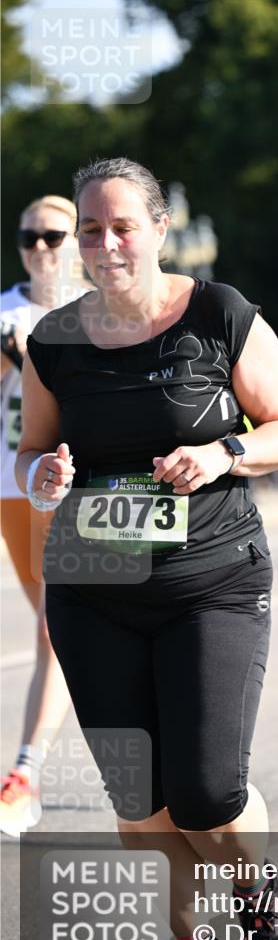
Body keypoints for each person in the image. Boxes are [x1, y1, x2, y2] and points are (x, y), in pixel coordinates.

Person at [16, 158, 278, 940]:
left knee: (207, 794)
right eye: (90, 230)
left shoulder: (218, 315)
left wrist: (224, 452)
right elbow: (34, 450)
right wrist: (43, 476)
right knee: (141, 807)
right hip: (91, 592)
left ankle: (254, 894)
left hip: (209, 581)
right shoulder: (54, 341)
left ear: (157, 230)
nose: (105, 244)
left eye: (122, 226)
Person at [0, 194, 87, 836]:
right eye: (30, 236)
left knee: (60, 627)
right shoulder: (3, 311)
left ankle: (24, 774)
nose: (40, 248)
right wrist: (11, 357)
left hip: (87, 494)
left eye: (54, 236)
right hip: (15, 487)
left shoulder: (98, 311)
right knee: (59, 629)